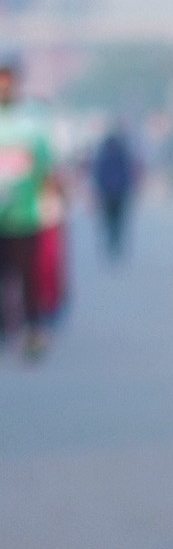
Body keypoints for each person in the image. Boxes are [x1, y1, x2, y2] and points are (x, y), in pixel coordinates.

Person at [0, 60, 58, 359]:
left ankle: (33, 330)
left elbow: (47, 168)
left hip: (24, 217)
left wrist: (51, 205)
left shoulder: (30, 126)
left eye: (7, 83)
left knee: (27, 278)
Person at [90, 123, 140, 260]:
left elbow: (127, 175)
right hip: (109, 194)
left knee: (117, 222)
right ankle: (112, 244)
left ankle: (115, 244)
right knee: (110, 221)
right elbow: (99, 175)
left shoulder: (119, 156)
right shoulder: (106, 156)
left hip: (119, 194)